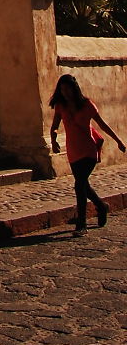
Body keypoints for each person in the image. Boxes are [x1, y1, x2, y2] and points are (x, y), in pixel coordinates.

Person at [50, 74, 126, 234]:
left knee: (79, 185)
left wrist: (118, 140)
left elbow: (102, 124)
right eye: (62, 89)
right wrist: (53, 138)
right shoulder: (60, 106)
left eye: (68, 89)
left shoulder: (86, 105)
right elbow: (55, 125)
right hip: (73, 151)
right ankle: (101, 206)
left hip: (88, 150)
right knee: (83, 184)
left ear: (74, 88)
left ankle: (81, 224)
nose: (65, 92)